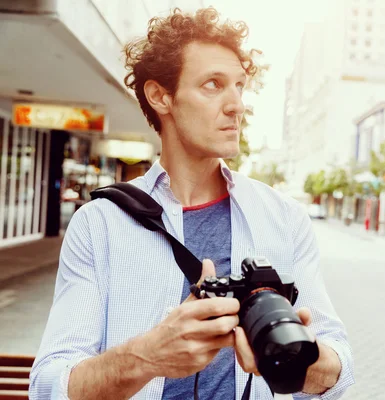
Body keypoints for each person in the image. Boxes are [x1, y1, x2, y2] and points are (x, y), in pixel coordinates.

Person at [29, 7, 354, 400]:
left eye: (239, 85)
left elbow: (339, 370)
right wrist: (147, 357)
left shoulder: (283, 218)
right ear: (160, 96)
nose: (237, 105)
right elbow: (48, 387)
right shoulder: (99, 224)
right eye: (214, 85)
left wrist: (301, 358)